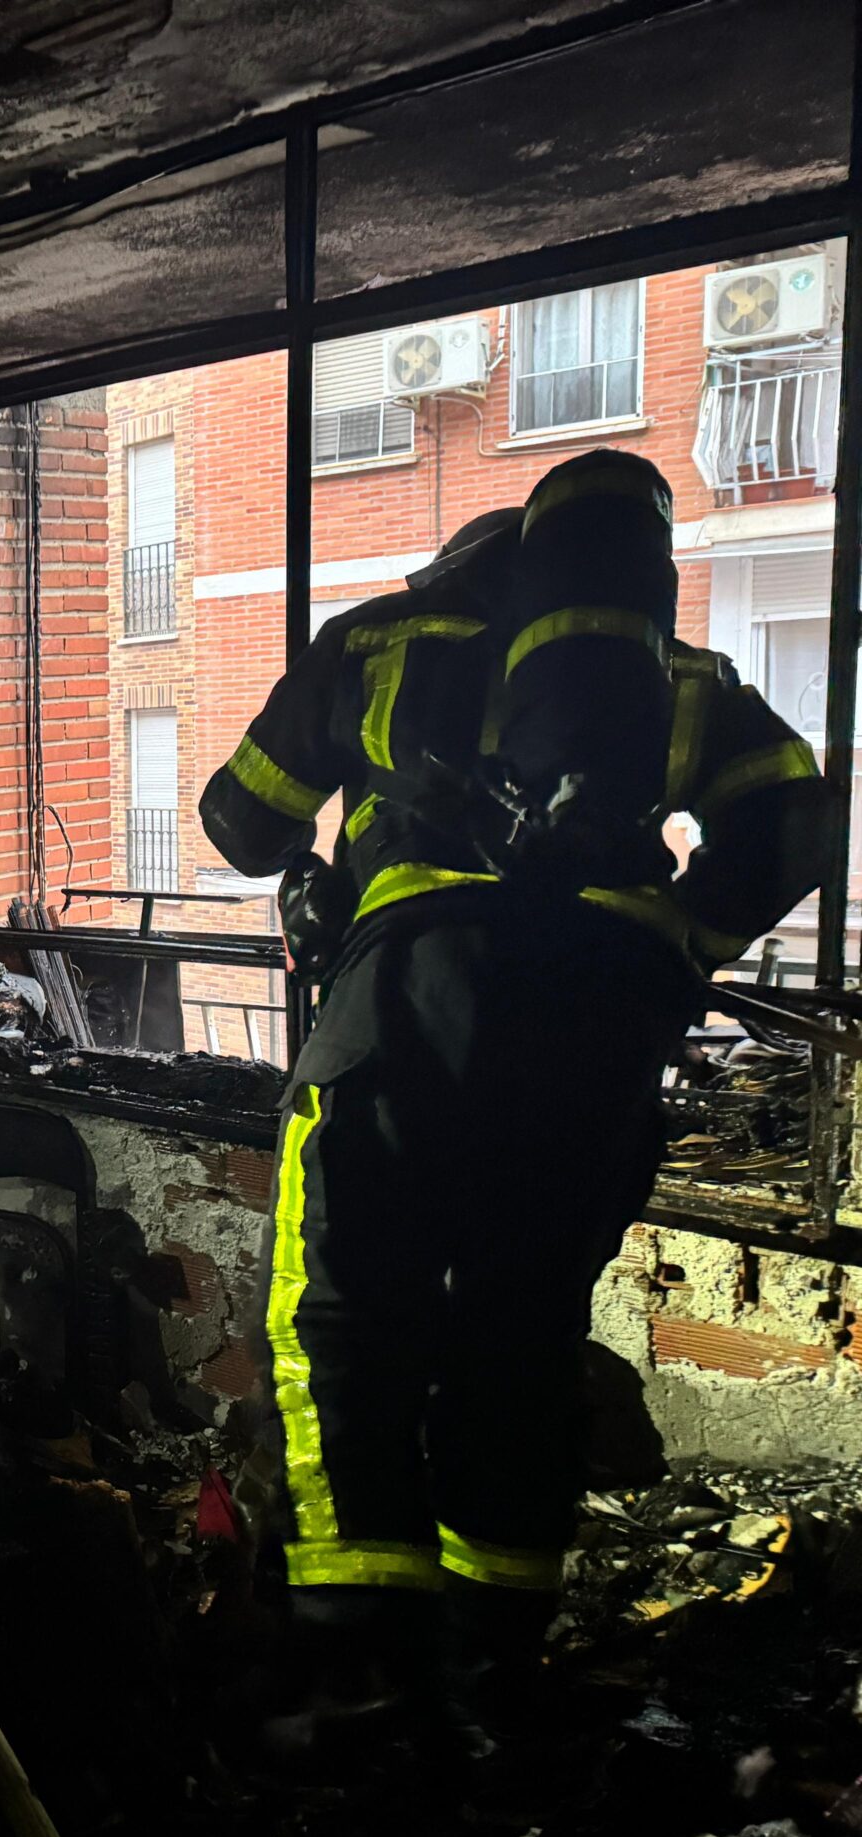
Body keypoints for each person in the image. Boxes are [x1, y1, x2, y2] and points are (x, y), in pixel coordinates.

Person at [199, 450, 835, 1724]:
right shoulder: (679, 689)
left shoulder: (376, 649)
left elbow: (236, 822)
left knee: (340, 1320)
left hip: (400, 1015)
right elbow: (796, 823)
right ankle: (494, 1657)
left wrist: (335, 831)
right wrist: (677, 943)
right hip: (591, 1041)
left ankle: (354, 1652)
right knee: (521, 1332)